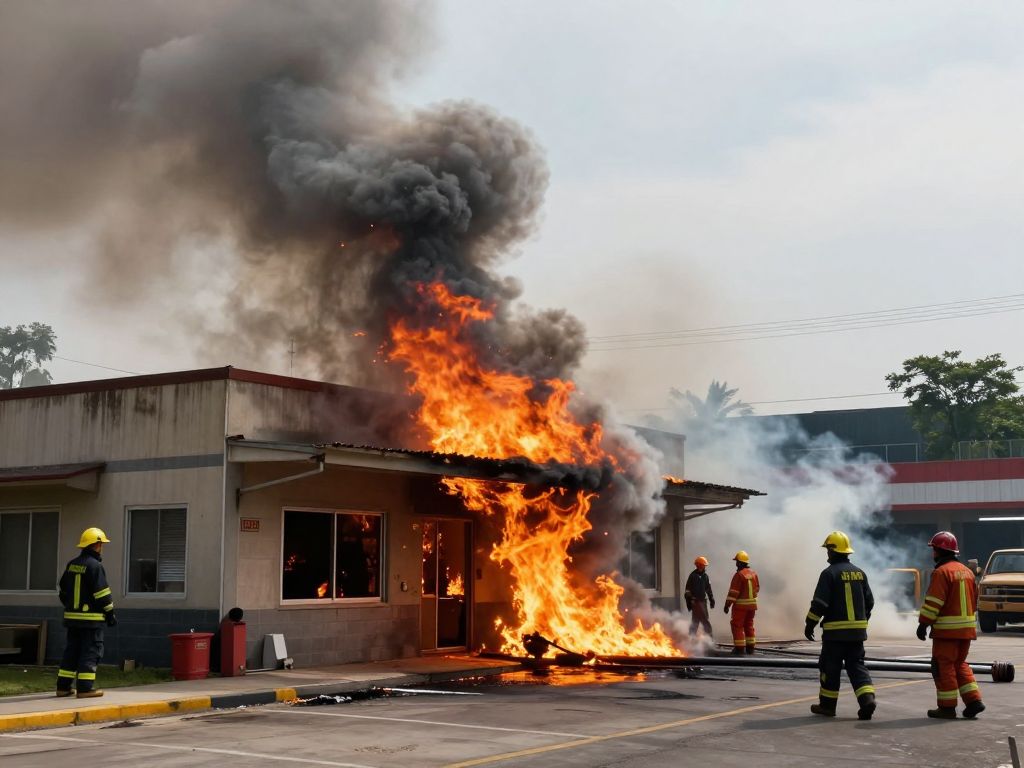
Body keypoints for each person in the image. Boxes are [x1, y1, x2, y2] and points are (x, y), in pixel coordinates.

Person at [805, 531, 876, 720]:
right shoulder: (860, 573)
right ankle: (867, 700)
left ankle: (827, 706)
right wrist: (861, 622)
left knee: (830, 668)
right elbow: (869, 602)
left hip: (835, 635)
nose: (827, 554)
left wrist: (810, 624)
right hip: (857, 635)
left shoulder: (829, 574)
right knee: (857, 666)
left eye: (828, 550)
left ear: (834, 551)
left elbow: (820, 603)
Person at [917, 531, 985, 720]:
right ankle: (973, 701)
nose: (933, 553)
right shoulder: (968, 572)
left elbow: (933, 603)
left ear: (939, 550)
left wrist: (923, 624)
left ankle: (947, 707)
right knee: (959, 664)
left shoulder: (942, 572)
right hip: (967, 631)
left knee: (943, 667)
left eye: (934, 549)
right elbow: (975, 599)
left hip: (947, 633)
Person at [56, 527, 117, 698]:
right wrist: (110, 613)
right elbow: (102, 594)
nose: (102, 547)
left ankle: (63, 687)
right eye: (101, 544)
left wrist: (71, 607)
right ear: (96, 545)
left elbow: (63, 591)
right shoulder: (95, 566)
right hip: (91, 621)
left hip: (71, 620)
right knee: (90, 652)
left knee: (72, 651)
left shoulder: (72, 564)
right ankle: (84, 688)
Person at [724, 550, 759, 655]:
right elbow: (757, 589)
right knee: (749, 625)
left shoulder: (739, 575)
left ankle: (739, 649)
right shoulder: (754, 574)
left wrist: (727, 605)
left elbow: (733, 593)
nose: (736, 564)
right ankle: (750, 648)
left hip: (740, 607)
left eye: (737, 562)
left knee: (737, 626)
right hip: (752, 606)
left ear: (740, 562)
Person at [684, 556, 715, 639]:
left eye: (704, 565)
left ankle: (692, 637)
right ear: (698, 565)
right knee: (704, 621)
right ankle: (709, 639)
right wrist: (689, 602)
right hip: (695, 602)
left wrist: (712, 600)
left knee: (696, 621)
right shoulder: (692, 576)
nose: (704, 567)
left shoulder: (705, 577)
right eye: (703, 565)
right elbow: (687, 591)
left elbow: (708, 589)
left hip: (702, 602)